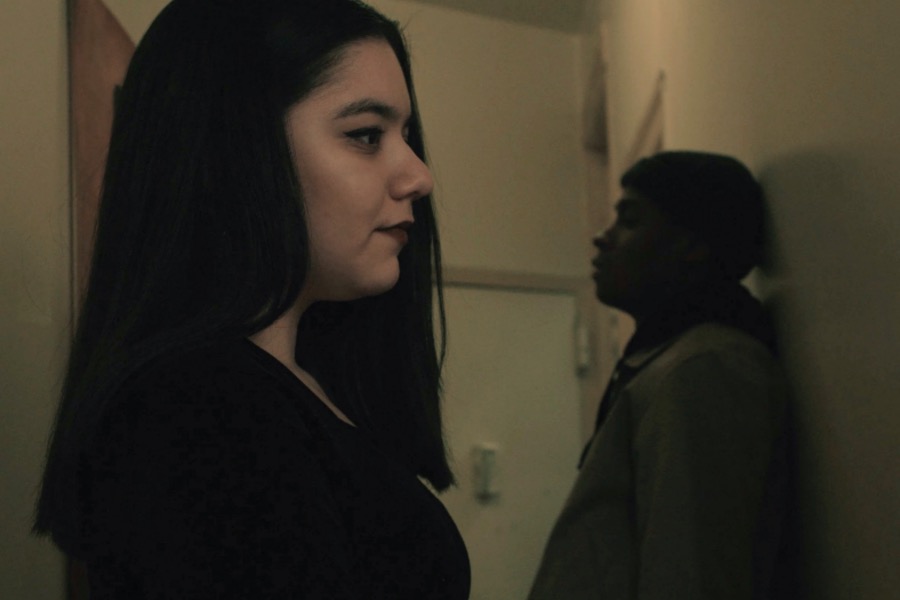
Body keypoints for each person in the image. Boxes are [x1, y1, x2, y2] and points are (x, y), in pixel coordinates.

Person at [34, 1, 470, 598]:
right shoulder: (194, 412)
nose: (418, 175)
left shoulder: (297, 384)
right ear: (232, 150)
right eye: (366, 135)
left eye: (407, 136)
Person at [529, 151, 790, 599]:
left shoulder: (706, 367)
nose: (603, 238)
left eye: (630, 220)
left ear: (692, 245)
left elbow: (692, 572)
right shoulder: (671, 359)